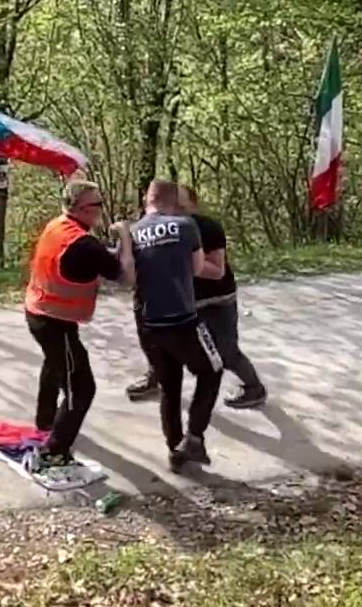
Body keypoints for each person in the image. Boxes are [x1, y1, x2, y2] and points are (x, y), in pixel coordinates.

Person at [21, 179, 134, 471]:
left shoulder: (58, 226)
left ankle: (45, 421)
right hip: (55, 321)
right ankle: (54, 451)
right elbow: (126, 278)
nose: (101, 210)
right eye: (97, 205)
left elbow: (89, 260)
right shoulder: (84, 244)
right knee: (82, 389)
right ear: (83, 209)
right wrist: (125, 236)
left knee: (55, 364)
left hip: (38, 310)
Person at [124, 185, 267, 410]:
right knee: (157, 344)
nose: (175, 207)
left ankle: (254, 387)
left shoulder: (206, 227)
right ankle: (156, 379)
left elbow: (217, 271)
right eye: (171, 202)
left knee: (225, 351)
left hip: (215, 299)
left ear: (192, 204)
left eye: (180, 203)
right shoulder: (156, 228)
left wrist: (175, 263)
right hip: (178, 300)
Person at [129, 180, 225, 472]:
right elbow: (197, 269)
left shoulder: (132, 232)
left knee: (170, 388)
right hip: (183, 319)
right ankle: (193, 437)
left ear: (148, 199)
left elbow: (127, 275)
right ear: (174, 201)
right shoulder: (186, 226)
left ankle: (174, 450)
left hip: (149, 323)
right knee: (212, 370)